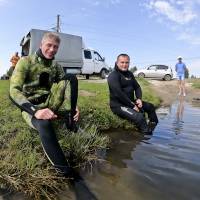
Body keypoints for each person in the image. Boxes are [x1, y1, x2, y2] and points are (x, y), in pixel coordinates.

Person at [10, 32, 80, 177]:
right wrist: (35, 111)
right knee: (44, 124)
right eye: (49, 45)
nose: (52, 49)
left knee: (70, 78)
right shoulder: (26, 61)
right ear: (41, 45)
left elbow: (65, 86)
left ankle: (70, 119)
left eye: (55, 47)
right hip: (31, 107)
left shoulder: (56, 66)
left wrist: (74, 107)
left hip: (49, 102)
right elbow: (13, 90)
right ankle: (65, 171)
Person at [107, 54, 158, 135]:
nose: (124, 65)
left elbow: (137, 87)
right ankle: (147, 135)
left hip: (130, 102)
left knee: (150, 107)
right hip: (118, 105)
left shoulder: (130, 74)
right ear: (117, 63)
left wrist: (139, 99)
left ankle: (153, 126)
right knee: (140, 118)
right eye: (122, 62)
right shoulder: (113, 75)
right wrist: (132, 106)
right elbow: (118, 94)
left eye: (127, 62)